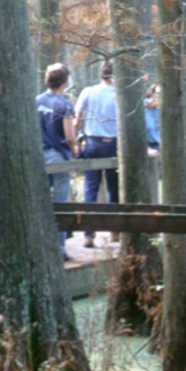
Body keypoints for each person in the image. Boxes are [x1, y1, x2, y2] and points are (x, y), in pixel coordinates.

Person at [74, 59, 119, 248]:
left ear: (101, 74)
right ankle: (115, 231)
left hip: (93, 143)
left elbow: (77, 118)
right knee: (113, 188)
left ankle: (88, 234)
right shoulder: (120, 94)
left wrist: (76, 137)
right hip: (114, 145)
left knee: (90, 188)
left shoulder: (88, 92)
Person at [37, 62, 75, 257]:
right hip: (58, 157)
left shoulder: (35, 102)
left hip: (38, 157)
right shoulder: (66, 105)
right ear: (64, 82)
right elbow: (69, 136)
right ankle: (59, 249)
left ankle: (41, 246)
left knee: (40, 202)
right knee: (61, 203)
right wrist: (75, 150)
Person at [144, 83, 161, 155]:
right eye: (156, 94)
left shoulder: (168, 110)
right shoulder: (143, 106)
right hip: (148, 145)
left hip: (162, 145)